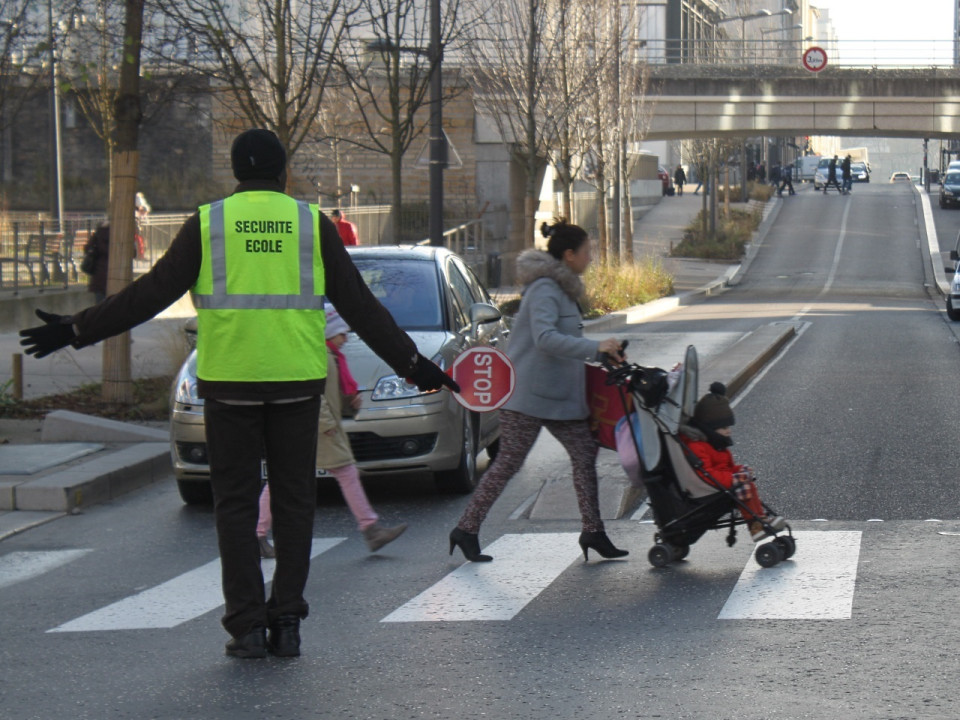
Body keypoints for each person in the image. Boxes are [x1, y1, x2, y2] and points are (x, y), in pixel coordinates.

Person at [18, 128, 457, 660]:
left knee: (235, 504)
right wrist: (416, 367)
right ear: (283, 173)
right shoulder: (310, 224)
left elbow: (149, 294)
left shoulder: (208, 224)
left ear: (235, 171)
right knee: (295, 501)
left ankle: (246, 626)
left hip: (229, 387)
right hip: (297, 383)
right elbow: (363, 309)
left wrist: (77, 329)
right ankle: (288, 621)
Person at [449, 218, 628, 563]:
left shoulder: (562, 288)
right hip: (529, 397)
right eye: (587, 251)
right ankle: (466, 529)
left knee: (584, 457)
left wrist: (605, 352)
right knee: (507, 465)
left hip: (559, 398)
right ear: (569, 254)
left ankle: (594, 531)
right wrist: (595, 348)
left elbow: (568, 338)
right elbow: (546, 338)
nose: (591, 257)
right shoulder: (546, 288)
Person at [256, 308, 408, 557]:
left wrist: (349, 403)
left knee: (280, 478)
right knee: (346, 472)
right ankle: (371, 530)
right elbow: (315, 394)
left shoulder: (327, 354)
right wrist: (327, 425)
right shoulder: (320, 355)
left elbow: (329, 393)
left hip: (308, 425)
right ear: (328, 331)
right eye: (341, 332)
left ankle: (258, 533)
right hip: (318, 426)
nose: (345, 337)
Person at [679, 382, 785, 542]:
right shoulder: (698, 446)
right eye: (723, 427)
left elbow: (726, 467)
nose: (728, 431)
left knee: (747, 484)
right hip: (708, 487)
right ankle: (755, 525)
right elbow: (705, 474)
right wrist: (732, 478)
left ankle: (760, 518)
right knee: (743, 486)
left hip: (718, 481)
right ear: (710, 428)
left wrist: (739, 470)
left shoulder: (717, 445)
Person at [82, 222, 111, 303]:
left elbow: (87, 248)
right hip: (117, 276)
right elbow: (133, 253)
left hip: (99, 275)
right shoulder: (120, 235)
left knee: (100, 306)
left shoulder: (99, 233)